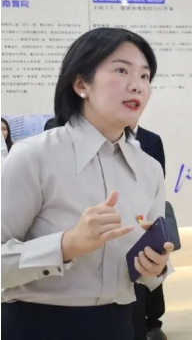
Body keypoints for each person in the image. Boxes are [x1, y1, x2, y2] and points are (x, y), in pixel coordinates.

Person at [1, 28, 173, 340]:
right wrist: (67, 245)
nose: (137, 85)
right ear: (81, 84)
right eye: (121, 70)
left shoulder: (149, 170)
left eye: (145, 76)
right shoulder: (33, 156)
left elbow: (148, 267)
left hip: (122, 323)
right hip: (37, 324)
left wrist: (155, 266)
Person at [129, 125, 168, 340]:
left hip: (145, 212)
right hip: (124, 213)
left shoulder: (152, 139)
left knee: (152, 264)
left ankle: (154, 322)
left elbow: (160, 176)